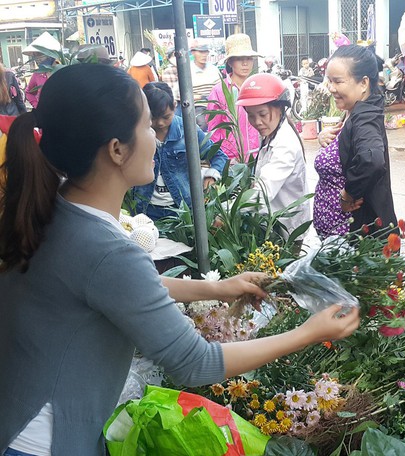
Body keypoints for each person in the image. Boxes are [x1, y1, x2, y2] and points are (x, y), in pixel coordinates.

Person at [0, 63, 360, 455]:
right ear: (116, 149)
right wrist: (308, 332)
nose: (156, 140)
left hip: (18, 417)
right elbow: (194, 362)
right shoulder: (107, 248)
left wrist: (216, 288)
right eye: (147, 128)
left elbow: (113, 286)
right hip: (47, 441)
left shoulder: (56, 209)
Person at [317, 44, 397, 234]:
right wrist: (327, 140)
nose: (331, 88)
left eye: (338, 81)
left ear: (363, 83)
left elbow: (372, 160)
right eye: (329, 81)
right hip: (340, 240)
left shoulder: (365, 118)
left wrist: (348, 194)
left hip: (356, 239)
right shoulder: (353, 112)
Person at [130, 82, 228, 221]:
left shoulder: (187, 130)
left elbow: (219, 156)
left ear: (175, 106)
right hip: (146, 210)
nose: (160, 123)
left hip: (182, 210)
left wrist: (211, 176)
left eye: (166, 117)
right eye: (153, 117)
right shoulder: (137, 132)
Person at [236, 73, 311, 239]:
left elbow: (262, 195)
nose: (257, 122)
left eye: (262, 114)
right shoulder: (272, 133)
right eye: (251, 115)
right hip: (273, 223)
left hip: (287, 230)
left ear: (280, 108)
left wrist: (226, 209)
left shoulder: (285, 145)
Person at [207, 34, 261, 163]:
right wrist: (223, 156)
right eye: (239, 59)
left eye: (249, 58)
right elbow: (214, 129)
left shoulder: (258, 86)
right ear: (230, 62)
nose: (245, 63)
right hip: (231, 159)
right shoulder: (219, 91)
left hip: (258, 154)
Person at [21, 32, 61, 109]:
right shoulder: (37, 74)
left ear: (51, 53)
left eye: (40, 54)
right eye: (35, 55)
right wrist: (37, 106)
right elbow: (29, 92)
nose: (37, 58)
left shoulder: (62, 71)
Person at [189, 39, 221, 131]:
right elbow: (179, 94)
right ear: (193, 52)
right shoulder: (187, 70)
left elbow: (220, 89)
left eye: (205, 52)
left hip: (215, 105)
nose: (204, 55)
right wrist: (201, 97)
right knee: (202, 124)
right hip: (197, 106)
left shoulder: (213, 69)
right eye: (200, 52)